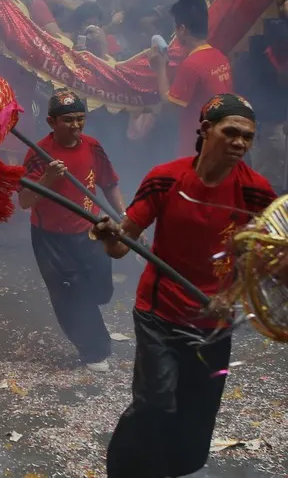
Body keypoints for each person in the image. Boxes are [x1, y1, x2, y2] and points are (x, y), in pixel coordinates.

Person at [91, 93, 276, 478]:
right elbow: (120, 247)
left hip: (214, 322)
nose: (240, 143)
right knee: (155, 403)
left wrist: (231, 295)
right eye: (231, 132)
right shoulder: (165, 178)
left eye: (248, 136)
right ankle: (123, 471)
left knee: (198, 411)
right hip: (159, 313)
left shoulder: (257, 192)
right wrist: (109, 234)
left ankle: (174, 471)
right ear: (206, 129)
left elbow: (264, 258)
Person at [18, 89, 126, 372]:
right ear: (52, 122)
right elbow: (24, 201)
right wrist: (47, 178)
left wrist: (123, 217)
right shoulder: (39, 153)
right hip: (51, 238)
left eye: (80, 119)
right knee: (69, 296)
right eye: (68, 120)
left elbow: (110, 183)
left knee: (100, 291)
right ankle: (94, 350)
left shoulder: (92, 146)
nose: (76, 126)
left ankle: (91, 315)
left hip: (90, 232)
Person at [153, 0, 233, 156]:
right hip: (219, 143)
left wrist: (160, 68)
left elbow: (170, 106)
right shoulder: (219, 57)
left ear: (182, 29)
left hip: (197, 150)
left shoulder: (192, 65)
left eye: (175, 28)